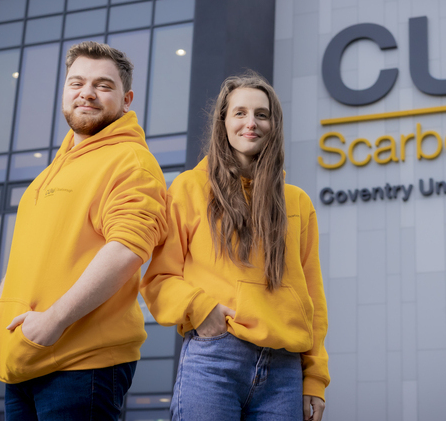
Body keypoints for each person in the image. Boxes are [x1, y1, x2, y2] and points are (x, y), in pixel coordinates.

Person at [0, 41, 167, 420]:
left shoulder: (132, 161)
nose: (87, 93)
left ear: (126, 99)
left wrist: (53, 320)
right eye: (76, 83)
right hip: (25, 359)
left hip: (83, 362)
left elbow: (128, 249)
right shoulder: (50, 173)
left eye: (103, 85)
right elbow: (30, 255)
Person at [141, 71, 329, 421]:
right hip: (215, 359)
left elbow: (313, 300)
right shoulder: (188, 189)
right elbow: (159, 277)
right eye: (239, 113)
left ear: (274, 124)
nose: (251, 123)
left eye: (261, 114)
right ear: (223, 122)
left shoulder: (298, 203)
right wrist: (201, 308)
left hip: (286, 371)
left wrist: (314, 378)